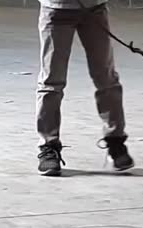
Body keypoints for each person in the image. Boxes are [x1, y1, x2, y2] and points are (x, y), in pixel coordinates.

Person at [36, 0, 134, 176]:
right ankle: (48, 146)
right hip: (56, 9)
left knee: (106, 78)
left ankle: (116, 142)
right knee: (51, 82)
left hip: (94, 8)